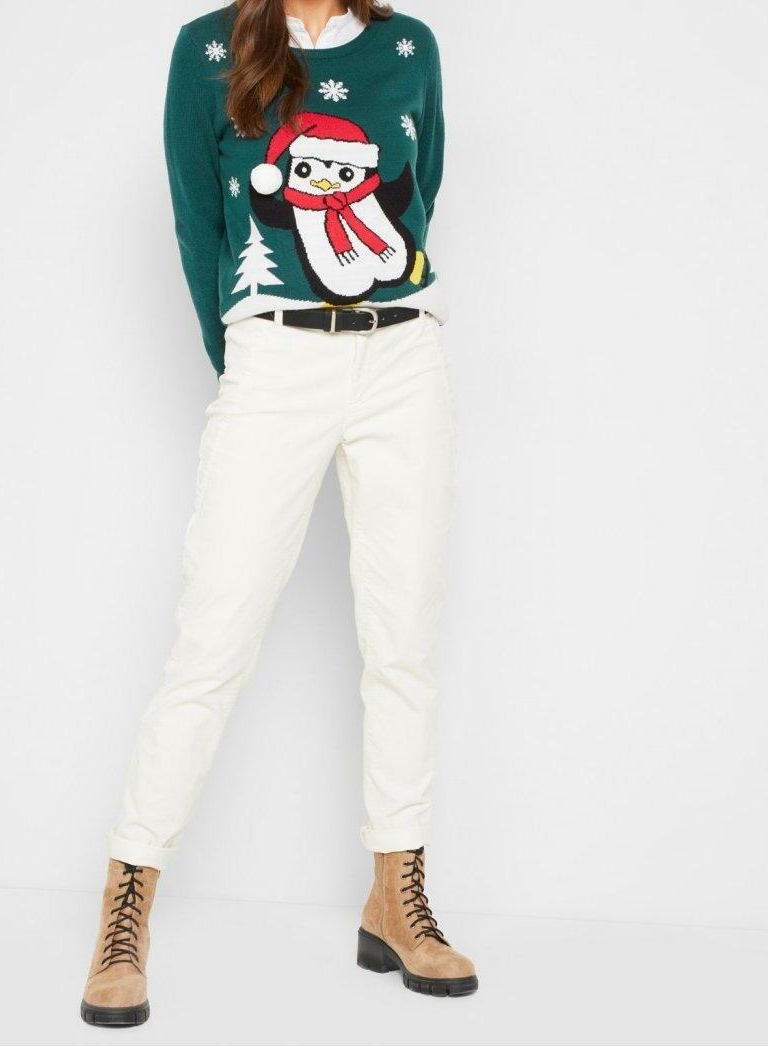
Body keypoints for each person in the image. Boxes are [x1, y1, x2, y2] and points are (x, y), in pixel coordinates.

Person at [81, 0, 477, 1026]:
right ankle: (126, 904)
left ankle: (396, 893)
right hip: (275, 355)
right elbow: (197, 224)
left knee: (403, 640)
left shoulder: (408, 48)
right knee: (211, 640)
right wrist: (250, 355)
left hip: (403, 354)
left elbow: (420, 191)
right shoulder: (207, 50)